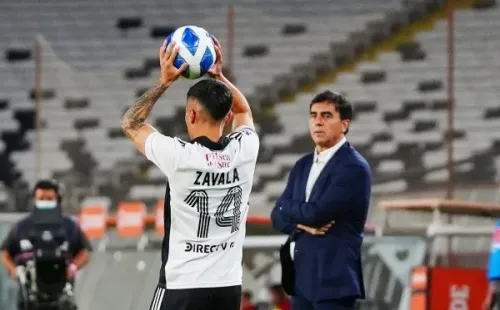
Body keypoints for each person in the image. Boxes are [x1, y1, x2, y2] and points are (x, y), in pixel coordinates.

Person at [120, 37, 259, 310]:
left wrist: (165, 80)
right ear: (227, 117)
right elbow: (244, 110)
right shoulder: (245, 150)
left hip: (183, 284)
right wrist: (220, 76)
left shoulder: (179, 156)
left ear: (191, 115)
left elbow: (130, 122)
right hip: (228, 286)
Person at [270, 91, 371, 310]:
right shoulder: (302, 165)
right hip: (301, 280)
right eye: (313, 115)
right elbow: (276, 216)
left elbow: (316, 214)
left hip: (334, 281)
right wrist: (300, 222)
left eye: (326, 116)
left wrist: (288, 209)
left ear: (344, 124)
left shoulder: (353, 167)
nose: (318, 121)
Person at [0, 179, 92, 307]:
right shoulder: (22, 227)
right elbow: (5, 253)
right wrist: (15, 271)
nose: (45, 202)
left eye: (49, 198)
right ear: (34, 200)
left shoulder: (69, 226)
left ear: (57, 200)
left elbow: (84, 252)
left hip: (61, 295)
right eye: (41, 198)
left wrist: (72, 268)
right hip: (29, 296)